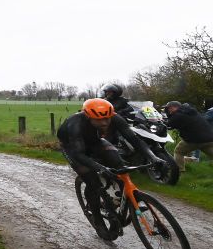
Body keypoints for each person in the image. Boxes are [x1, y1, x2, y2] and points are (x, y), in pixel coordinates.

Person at [58, 98, 162, 239]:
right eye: (99, 120)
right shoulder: (75, 124)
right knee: (92, 181)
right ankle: (98, 220)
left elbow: (134, 139)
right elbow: (79, 154)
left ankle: (120, 201)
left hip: (95, 142)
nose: (105, 123)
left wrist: (153, 157)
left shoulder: (114, 117)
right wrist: (99, 167)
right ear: (88, 116)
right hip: (73, 148)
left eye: (107, 119)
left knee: (120, 166)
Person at [163, 101, 213, 170]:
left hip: (194, 140)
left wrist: (168, 117)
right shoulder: (191, 111)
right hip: (209, 138)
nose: (168, 111)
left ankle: (180, 171)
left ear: (172, 107)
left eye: (168, 109)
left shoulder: (178, 115)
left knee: (178, 152)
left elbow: (168, 125)